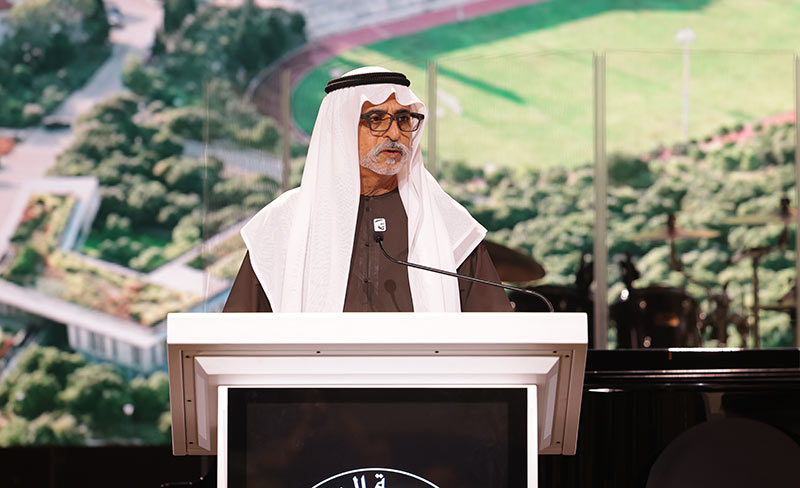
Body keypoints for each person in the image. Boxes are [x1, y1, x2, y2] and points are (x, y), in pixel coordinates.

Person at [223, 67, 511, 312]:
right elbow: (235, 338)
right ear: (341, 128)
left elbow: (497, 332)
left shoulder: (446, 222)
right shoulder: (284, 221)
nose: (395, 133)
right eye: (376, 120)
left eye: (403, 119)